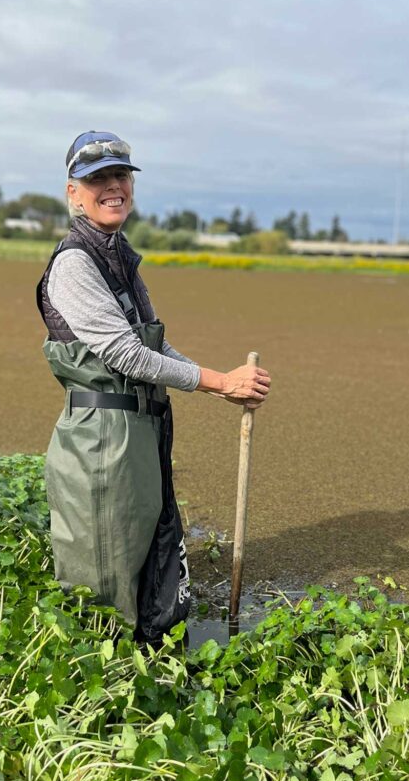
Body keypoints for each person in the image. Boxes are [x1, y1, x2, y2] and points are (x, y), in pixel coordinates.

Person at [36, 130, 270, 644]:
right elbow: (124, 355)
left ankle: (155, 670)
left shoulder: (119, 254)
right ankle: (103, 690)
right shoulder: (76, 263)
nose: (113, 186)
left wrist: (225, 383)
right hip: (100, 440)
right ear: (73, 191)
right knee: (103, 577)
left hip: (138, 433)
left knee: (149, 559)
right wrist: (216, 382)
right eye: (97, 179)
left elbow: (154, 348)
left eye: (120, 174)